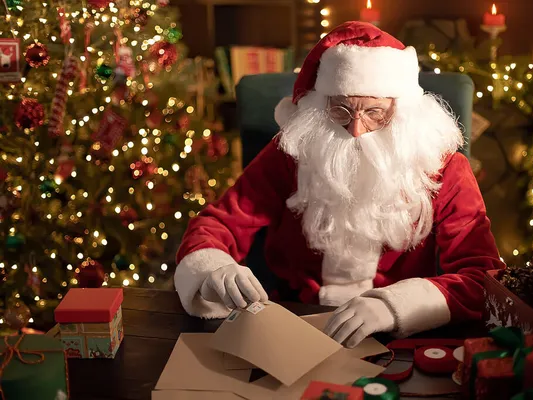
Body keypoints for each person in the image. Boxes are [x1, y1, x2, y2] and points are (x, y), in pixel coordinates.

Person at [174, 21, 504, 348]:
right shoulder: (293, 152)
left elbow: (481, 277)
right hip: (296, 319)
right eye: (341, 110)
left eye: (376, 112)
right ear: (321, 105)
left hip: (399, 333)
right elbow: (220, 222)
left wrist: (392, 305)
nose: (356, 129)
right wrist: (213, 268)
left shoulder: (443, 167)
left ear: (401, 111)